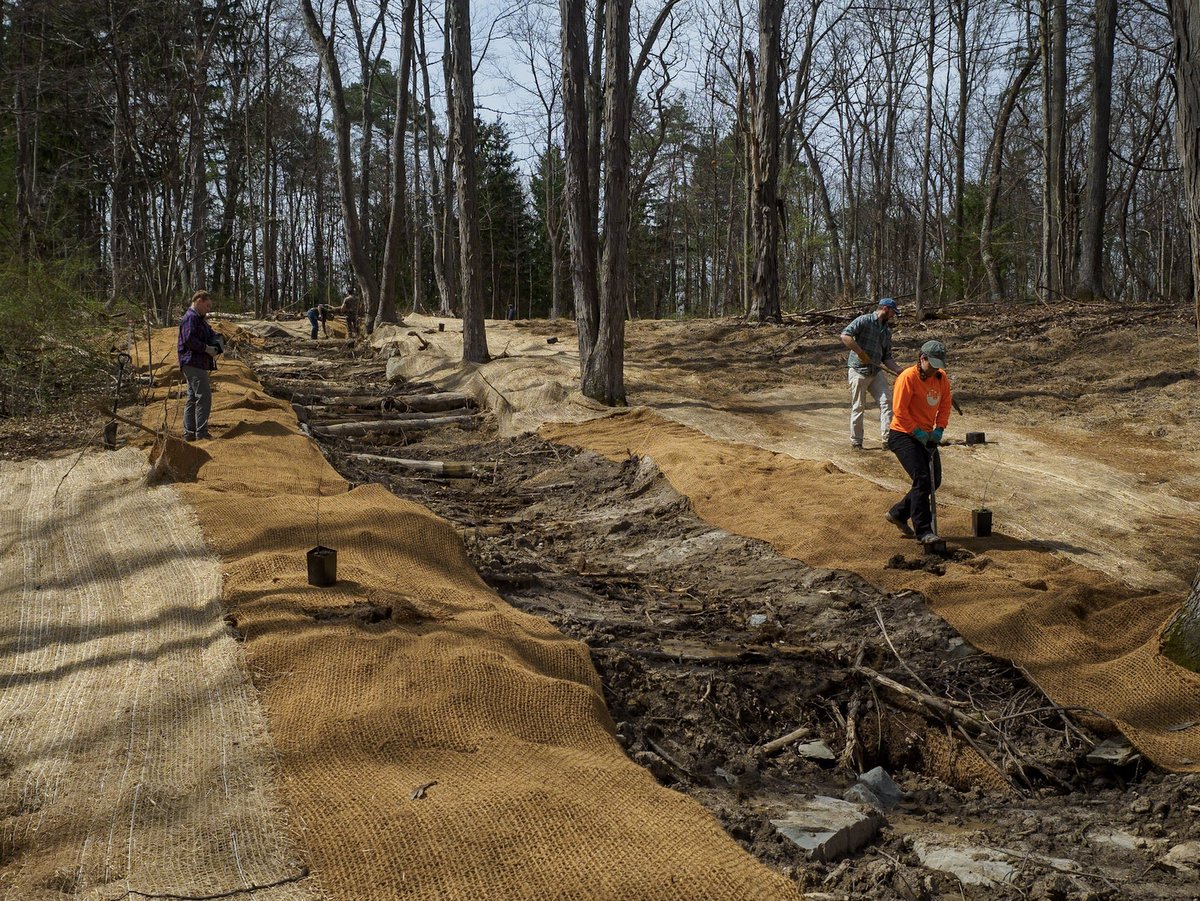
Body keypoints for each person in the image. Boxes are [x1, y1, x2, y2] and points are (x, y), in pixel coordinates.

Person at [885, 339, 952, 544]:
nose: (934, 370)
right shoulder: (907, 377)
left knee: (934, 480)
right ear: (922, 359)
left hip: (926, 435)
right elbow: (900, 411)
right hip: (902, 434)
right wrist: (917, 432)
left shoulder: (941, 378)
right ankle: (924, 531)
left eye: (938, 365)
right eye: (931, 364)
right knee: (923, 478)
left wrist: (939, 429)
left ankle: (898, 513)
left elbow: (945, 405)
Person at [839, 297, 903, 448]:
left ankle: (887, 441)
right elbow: (845, 336)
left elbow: (887, 357)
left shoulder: (886, 332)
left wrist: (899, 371)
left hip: (876, 372)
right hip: (858, 371)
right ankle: (856, 442)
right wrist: (861, 353)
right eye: (893, 312)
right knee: (859, 406)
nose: (894, 315)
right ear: (886, 309)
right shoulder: (864, 320)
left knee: (887, 402)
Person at [177, 289, 221, 441]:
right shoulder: (191, 318)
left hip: (195, 363)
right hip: (193, 362)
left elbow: (206, 334)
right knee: (204, 397)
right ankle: (201, 434)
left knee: (192, 397)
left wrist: (216, 340)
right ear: (199, 301)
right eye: (207, 306)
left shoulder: (198, 319)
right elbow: (189, 340)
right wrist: (207, 348)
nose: (208, 310)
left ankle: (189, 433)